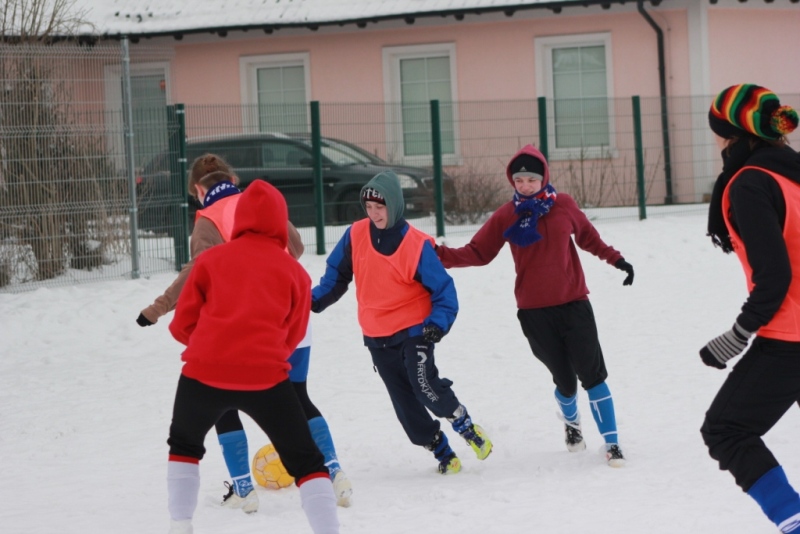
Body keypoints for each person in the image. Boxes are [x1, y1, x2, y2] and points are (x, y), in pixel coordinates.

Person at [137, 154, 351, 511]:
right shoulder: (263, 204)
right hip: (287, 316)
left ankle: (243, 489)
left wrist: (158, 308)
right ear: (232, 178)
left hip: (237, 330)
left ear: (197, 188)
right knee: (298, 397)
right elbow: (296, 248)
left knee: (222, 402)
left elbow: (196, 273)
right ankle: (334, 472)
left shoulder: (208, 220)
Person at [435, 144, 633, 467]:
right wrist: (436, 254)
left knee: (593, 376)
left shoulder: (563, 205)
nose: (525, 186)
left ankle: (612, 444)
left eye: (531, 179)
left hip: (574, 305)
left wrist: (617, 260)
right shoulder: (507, 215)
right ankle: (572, 423)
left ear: (544, 178)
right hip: (534, 313)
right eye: (519, 180)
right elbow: (478, 252)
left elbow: (589, 237)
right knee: (565, 381)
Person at [311, 170, 492, 474]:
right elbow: (336, 277)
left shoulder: (415, 245)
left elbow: (444, 291)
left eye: (380, 207)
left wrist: (437, 323)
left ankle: (463, 423)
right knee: (404, 402)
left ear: (394, 205)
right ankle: (439, 448)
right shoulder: (355, 235)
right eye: (369, 207)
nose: (374, 214)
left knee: (424, 385)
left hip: (415, 329)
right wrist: (312, 300)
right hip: (376, 333)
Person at [699, 83, 800, 534]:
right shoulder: (792, 172)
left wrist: (738, 334)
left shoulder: (751, 182)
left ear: (731, 136)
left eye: (718, 134)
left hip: (791, 336)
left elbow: (774, 276)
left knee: (726, 429)